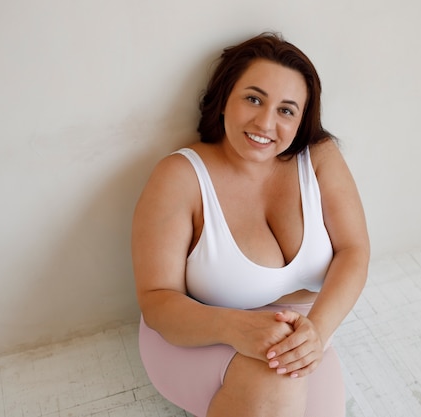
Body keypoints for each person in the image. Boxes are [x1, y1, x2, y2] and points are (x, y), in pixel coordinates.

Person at [132, 32, 369, 417]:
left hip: (302, 338)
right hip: (196, 336)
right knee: (272, 373)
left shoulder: (319, 157)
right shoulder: (180, 176)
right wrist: (236, 328)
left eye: (286, 110)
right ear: (225, 99)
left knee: (288, 376)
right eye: (254, 99)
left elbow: (354, 250)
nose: (265, 122)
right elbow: (157, 300)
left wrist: (317, 331)